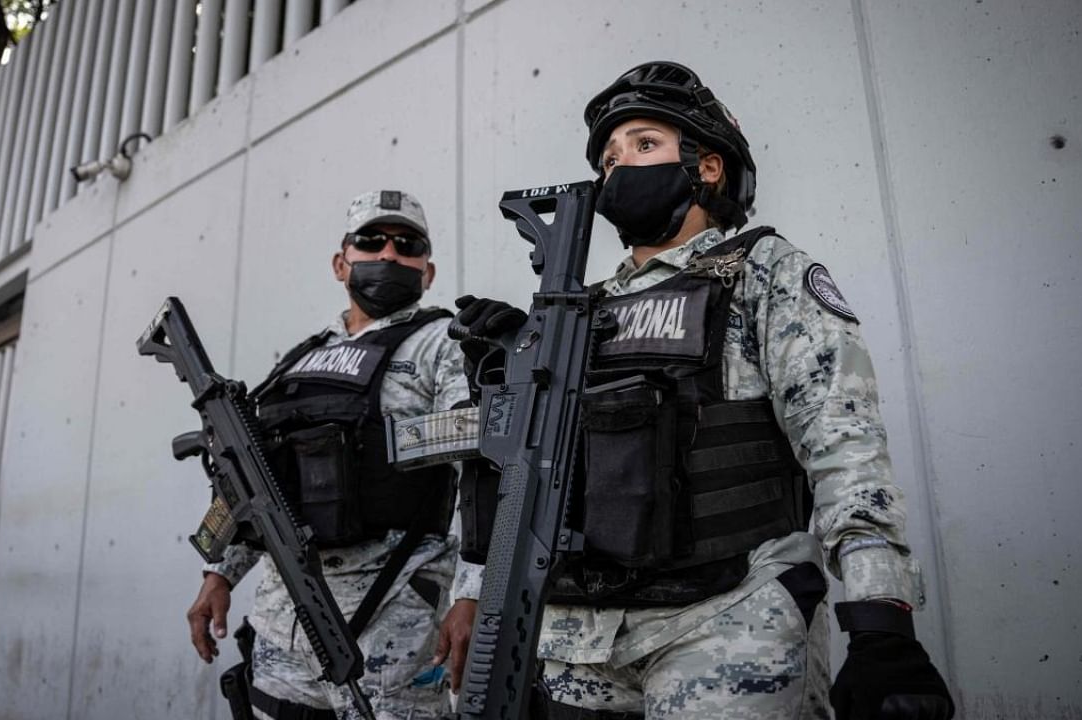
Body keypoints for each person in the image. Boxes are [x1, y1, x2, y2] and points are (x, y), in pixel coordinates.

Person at [452, 62, 954, 719]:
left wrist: (881, 620)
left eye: (643, 144)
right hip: (577, 639)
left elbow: (846, 448)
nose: (618, 166)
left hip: (725, 625)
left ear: (706, 166)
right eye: (608, 158)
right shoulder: (575, 312)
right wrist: (477, 588)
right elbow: (522, 470)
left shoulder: (763, 272)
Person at [186, 190, 479, 719]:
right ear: (341, 262)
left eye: (406, 244)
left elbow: (481, 468)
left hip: (395, 612)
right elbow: (255, 477)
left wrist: (473, 592)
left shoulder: (444, 344)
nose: (388, 254)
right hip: (286, 611)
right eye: (371, 241)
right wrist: (219, 572)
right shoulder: (300, 360)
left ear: (427, 271)